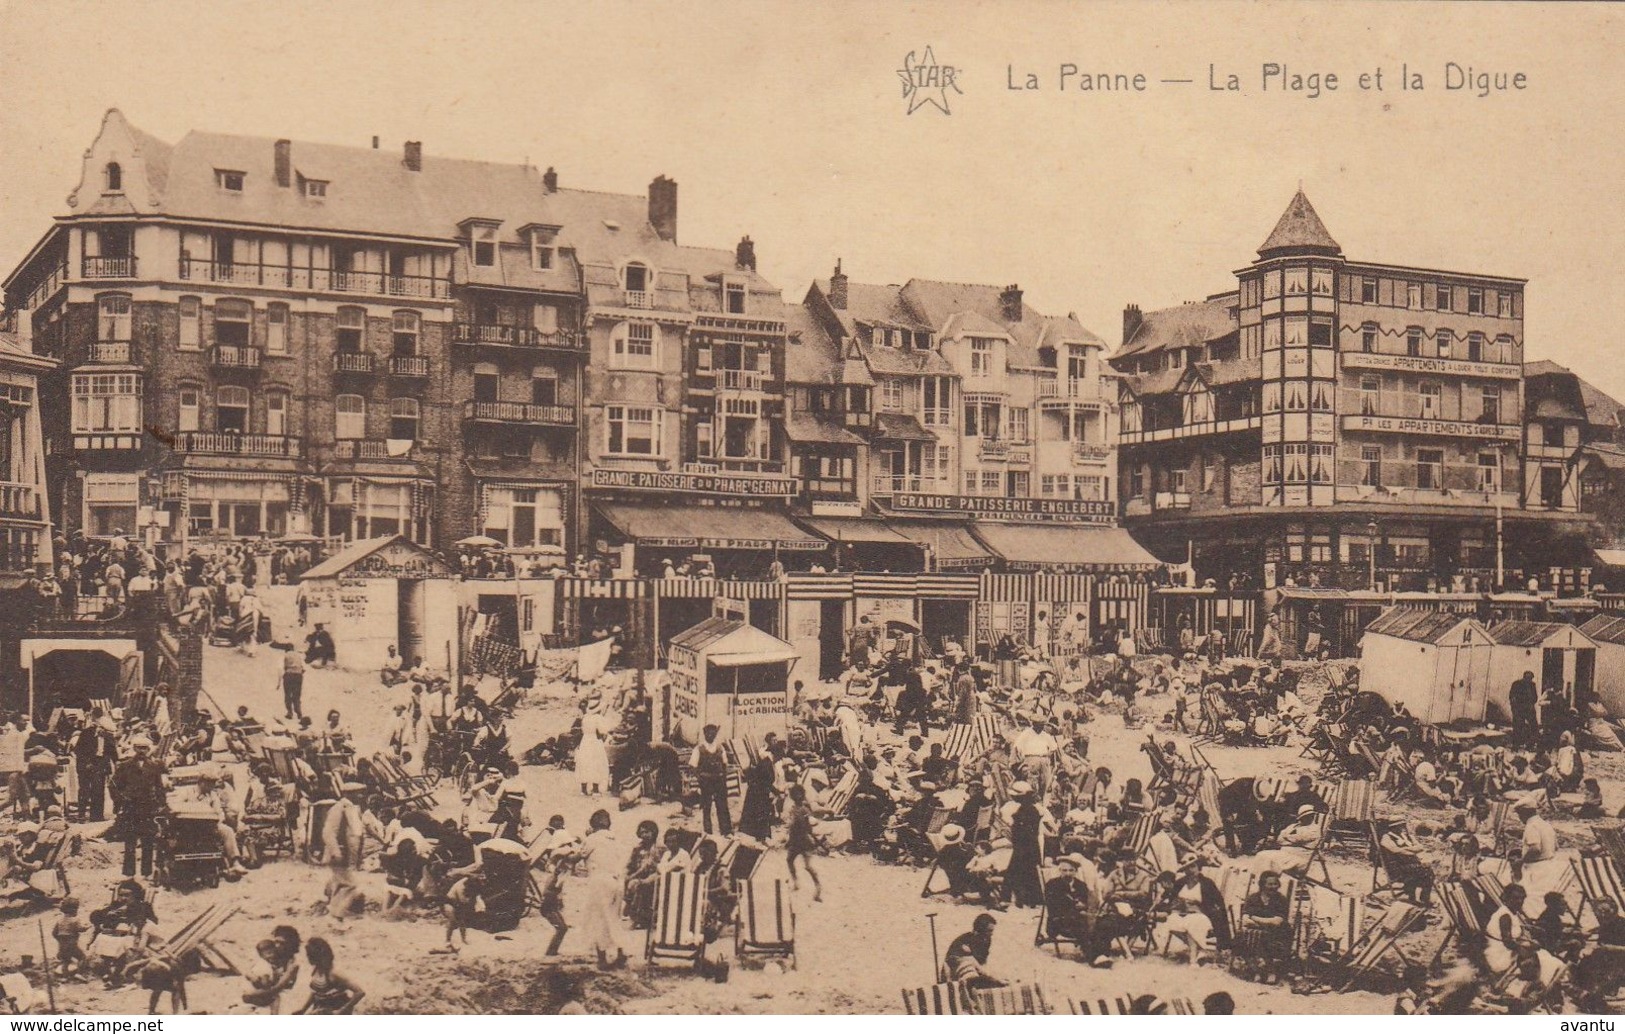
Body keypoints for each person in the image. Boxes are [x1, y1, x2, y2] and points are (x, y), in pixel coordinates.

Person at [576, 809, 628, 970]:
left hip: (600, 882)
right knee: (614, 919)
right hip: (617, 881)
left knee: (598, 919)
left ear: (593, 824)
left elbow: (579, 856)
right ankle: (620, 952)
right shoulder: (616, 839)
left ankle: (602, 958)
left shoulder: (592, 839)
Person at [111, 736, 165, 878]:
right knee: (130, 842)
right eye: (139, 748)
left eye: (145, 748)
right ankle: (129, 873)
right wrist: (120, 800)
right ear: (134, 748)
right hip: (130, 808)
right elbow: (114, 785)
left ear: (149, 750)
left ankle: (146, 873)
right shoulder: (125, 765)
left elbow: (159, 787)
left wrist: (161, 805)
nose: (142, 751)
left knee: (148, 841)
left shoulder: (154, 766)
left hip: (147, 808)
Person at [293, 937, 363, 1015]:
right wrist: (303, 1010)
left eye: (309, 955)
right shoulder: (316, 970)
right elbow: (315, 993)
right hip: (320, 1009)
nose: (308, 958)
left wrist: (342, 1011)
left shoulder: (334, 973)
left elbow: (359, 992)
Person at [1003, 781, 1043, 908]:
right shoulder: (1031, 808)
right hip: (1030, 846)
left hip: (1024, 846)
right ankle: (1031, 899)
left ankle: (1010, 898)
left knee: (1015, 872)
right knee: (1029, 872)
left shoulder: (1027, 810)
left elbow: (1023, 830)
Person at [783, 784, 823, 901]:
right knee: (794, 861)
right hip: (798, 840)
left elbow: (806, 824)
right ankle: (799, 882)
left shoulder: (801, 810)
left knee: (806, 865)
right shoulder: (797, 809)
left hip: (801, 840)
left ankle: (816, 886)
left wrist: (809, 834)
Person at [944, 913, 1004, 990]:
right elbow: (948, 962)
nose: (992, 934)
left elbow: (982, 963)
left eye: (992, 931)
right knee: (970, 965)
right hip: (957, 970)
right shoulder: (964, 940)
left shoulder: (987, 940)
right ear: (980, 930)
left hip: (974, 969)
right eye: (989, 931)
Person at [690, 724, 731, 836]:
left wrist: (723, 777)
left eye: (713, 733)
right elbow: (693, 766)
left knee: (722, 806)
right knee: (706, 807)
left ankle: (726, 831)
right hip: (706, 782)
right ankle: (708, 832)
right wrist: (700, 779)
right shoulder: (699, 749)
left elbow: (725, 764)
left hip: (719, 781)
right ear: (705, 734)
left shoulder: (720, 748)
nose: (711, 735)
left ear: (715, 734)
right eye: (708, 733)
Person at [574, 697, 612, 796]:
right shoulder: (598, 718)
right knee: (596, 763)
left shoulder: (585, 717)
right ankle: (595, 790)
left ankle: (583, 789)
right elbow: (602, 731)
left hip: (585, 741)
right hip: (595, 741)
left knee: (585, 763)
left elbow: (583, 730)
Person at [738, 749, 776, 842]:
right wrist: (776, 791)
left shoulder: (765, 763)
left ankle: (760, 838)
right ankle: (760, 838)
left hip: (757, 791)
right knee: (760, 815)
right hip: (758, 793)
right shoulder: (766, 765)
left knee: (760, 816)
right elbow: (767, 781)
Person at [52, 896, 88, 979]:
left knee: (65, 961)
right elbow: (80, 929)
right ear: (74, 910)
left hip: (62, 945)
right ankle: (79, 973)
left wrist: (60, 940)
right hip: (71, 943)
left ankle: (65, 977)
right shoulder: (75, 920)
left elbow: (54, 933)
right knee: (82, 957)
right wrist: (86, 928)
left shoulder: (59, 921)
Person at [1509, 670, 1539, 744]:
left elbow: (1535, 697)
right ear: (1524, 677)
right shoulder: (1516, 684)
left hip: (1529, 708)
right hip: (1519, 709)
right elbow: (1512, 697)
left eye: (1531, 678)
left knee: (1534, 725)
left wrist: (1531, 704)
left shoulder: (1532, 685)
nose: (1529, 680)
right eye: (1528, 678)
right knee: (1518, 726)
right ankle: (1517, 743)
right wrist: (1515, 709)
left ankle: (1532, 743)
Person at [281, 651, 306, 720]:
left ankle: (289, 712)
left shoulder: (286, 655)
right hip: (298, 675)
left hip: (289, 675)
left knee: (288, 694)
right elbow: (304, 669)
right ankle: (299, 713)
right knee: (297, 695)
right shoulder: (299, 655)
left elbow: (283, 667)